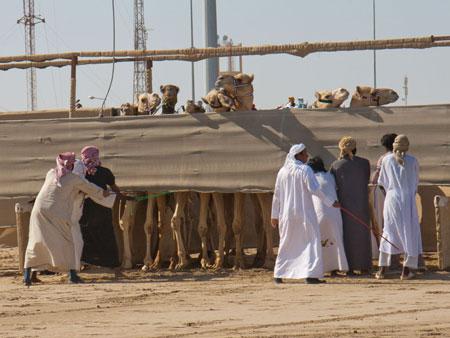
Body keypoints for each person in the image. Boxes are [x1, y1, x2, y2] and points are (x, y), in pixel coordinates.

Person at [23, 152, 110, 286]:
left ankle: (27, 276)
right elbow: (92, 189)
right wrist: (104, 192)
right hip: (57, 213)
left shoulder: (51, 173)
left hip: (38, 211)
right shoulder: (74, 178)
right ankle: (72, 275)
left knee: (35, 241)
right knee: (67, 242)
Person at [271, 144, 340, 284]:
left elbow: (276, 196)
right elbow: (314, 189)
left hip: (287, 215)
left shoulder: (282, 172)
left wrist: (274, 215)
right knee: (311, 242)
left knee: (286, 242)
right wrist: (330, 202)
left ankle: (279, 274)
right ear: (298, 155)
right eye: (305, 154)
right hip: (304, 213)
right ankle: (311, 275)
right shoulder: (305, 170)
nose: (307, 156)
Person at [375, 135, 422, 280]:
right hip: (407, 199)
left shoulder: (386, 160)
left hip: (391, 198)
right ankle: (406, 271)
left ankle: (382, 269)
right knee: (409, 232)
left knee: (388, 231)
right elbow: (415, 183)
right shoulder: (413, 161)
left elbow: (382, 182)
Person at [331, 136, 371, 274]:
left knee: (347, 236)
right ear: (355, 148)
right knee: (362, 235)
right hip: (362, 205)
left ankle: (349, 268)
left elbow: (333, 185)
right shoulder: (365, 163)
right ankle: (365, 266)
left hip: (345, 207)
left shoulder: (336, 165)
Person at [79, 146, 122, 269]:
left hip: (85, 208)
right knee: (106, 234)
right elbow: (114, 188)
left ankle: (87, 261)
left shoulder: (80, 173)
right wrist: (122, 196)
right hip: (102, 208)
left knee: (86, 233)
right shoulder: (105, 172)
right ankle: (109, 262)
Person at [308, 157, 348, 274]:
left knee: (320, 240)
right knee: (336, 238)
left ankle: (321, 268)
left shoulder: (312, 178)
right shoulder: (330, 176)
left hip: (319, 211)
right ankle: (335, 268)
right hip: (334, 212)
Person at [371, 133, 401, 269]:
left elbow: (375, 179)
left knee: (386, 227)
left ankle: (386, 261)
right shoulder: (406, 158)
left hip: (385, 194)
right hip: (398, 195)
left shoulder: (383, 159)